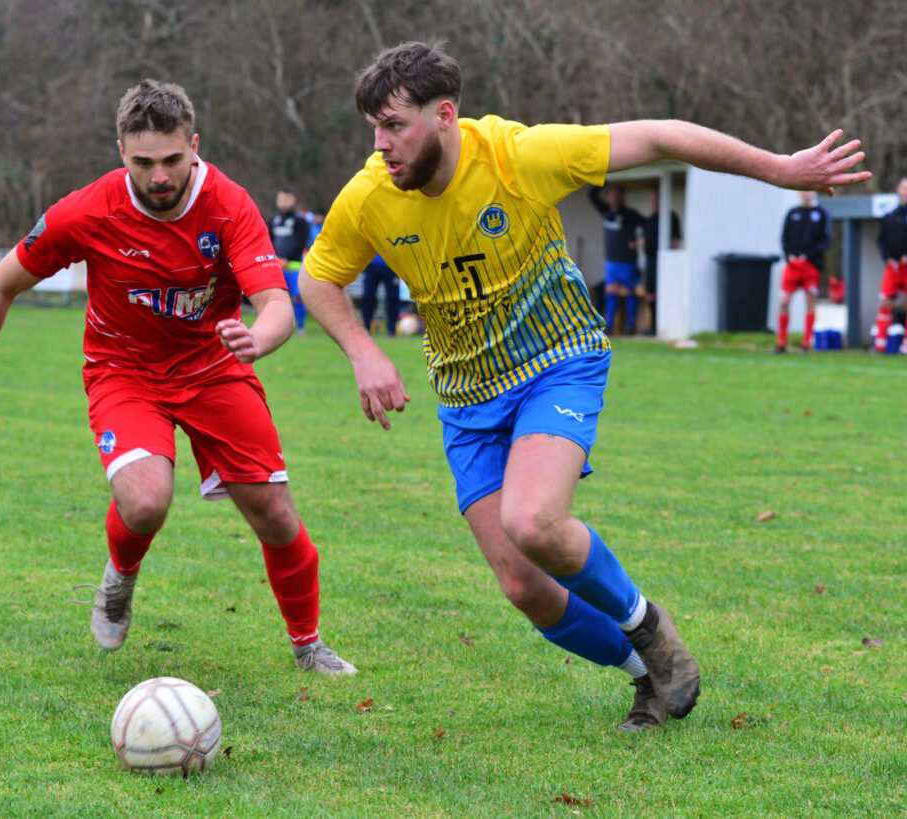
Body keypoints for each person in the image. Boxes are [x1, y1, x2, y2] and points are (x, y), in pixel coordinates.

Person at [297, 41, 869, 731]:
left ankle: (649, 625)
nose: (383, 145)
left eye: (396, 126)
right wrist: (362, 350)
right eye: (375, 129)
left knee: (532, 520)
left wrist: (779, 169)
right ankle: (647, 675)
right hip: (466, 397)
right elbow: (318, 275)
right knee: (522, 585)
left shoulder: (518, 156)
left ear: (445, 114)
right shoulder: (370, 196)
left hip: (555, 360)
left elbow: (661, 136)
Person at [0, 79, 355, 675]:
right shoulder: (87, 210)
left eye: (172, 160)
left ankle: (308, 644)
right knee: (144, 503)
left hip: (216, 369)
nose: (160, 176)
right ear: (121, 153)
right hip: (124, 371)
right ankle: (121, 575)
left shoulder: (229, 205)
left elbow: (276, 307)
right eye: (143, 163)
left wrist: (256, 339)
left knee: (272, 509)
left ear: (194, 145)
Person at [775, 191, 833, 353]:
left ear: (814, 192)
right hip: (792, 265)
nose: (804, 193)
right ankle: (781, 343)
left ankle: (806, 343)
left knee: (810, 303)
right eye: (802, 190)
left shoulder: (822, 213)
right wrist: (789, 255)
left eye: (808, 190)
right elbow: (784, 237)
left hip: (811, 265)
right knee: (783, 302)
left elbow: (826, 240)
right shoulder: (792, 213)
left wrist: (808, 255)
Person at [588, 184, 644, 334]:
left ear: (622, 198)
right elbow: (591, 195)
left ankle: (631, 325)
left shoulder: (630, 214)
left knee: (629, 292)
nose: (614, 199)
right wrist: (602, 180)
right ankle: (610, 325)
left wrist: (639, 240)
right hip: (611, 261)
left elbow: (646, 224)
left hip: (627, 261)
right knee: (610, 291)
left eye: (617, 196)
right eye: (611, 196)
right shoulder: (606, 211)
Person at [269, 187, 312, 335]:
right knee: (277, 297)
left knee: (296, 296)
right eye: (280, 199)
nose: (282, 202)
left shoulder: (300, 221)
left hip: (293, 266)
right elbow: (268, 240)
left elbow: (301, 241)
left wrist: (288, 259)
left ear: (293, 200)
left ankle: (300, 327)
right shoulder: (274, 220)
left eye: (286, 199)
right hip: (276, 265)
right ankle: (278, 327)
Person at [871, 176, 907, 352]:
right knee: (885, 303)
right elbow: (882, 240)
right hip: (893, 267)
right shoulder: (890, 215)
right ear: (898, 190)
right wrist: (889, 257)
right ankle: (880, 344)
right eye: (903, 187)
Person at [641, 190, 682, 336]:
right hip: (650, 261)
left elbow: (675, 240)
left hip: (664, 262)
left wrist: (671, 261)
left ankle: (661, 326)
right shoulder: (650, 219)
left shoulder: (671, 217)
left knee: (661, 293)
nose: (655, 203)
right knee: (650, 294)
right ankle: (652, 326)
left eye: (657, 200)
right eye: (653, 200)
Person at [360, 253, 402, 336]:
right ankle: (366, 328)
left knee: (393, 299)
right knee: (368, 297)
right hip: (371, 264)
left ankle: (392, 330)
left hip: (391, 265)